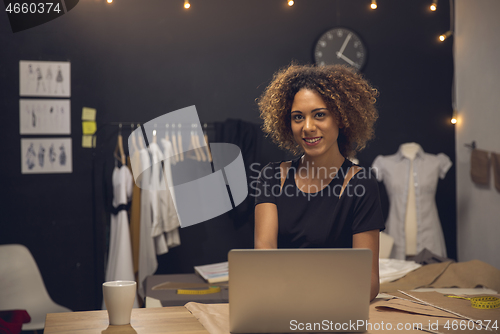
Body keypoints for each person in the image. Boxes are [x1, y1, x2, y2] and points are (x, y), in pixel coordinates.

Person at [254, 64, 385, 301]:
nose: (307, 127)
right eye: (298, 117)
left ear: (342, 118)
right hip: (282, 305)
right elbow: (264, 257)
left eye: (319, 114)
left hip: (336, 308)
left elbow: (369, 282)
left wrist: (315, 298)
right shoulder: (272, 177)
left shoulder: (361, 184)